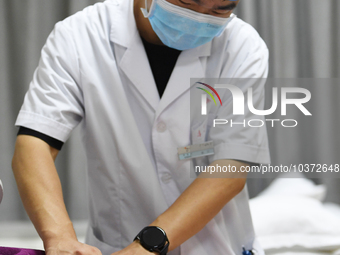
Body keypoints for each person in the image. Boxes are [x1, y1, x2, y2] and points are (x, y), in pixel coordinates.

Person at [12, 0, 270, 254]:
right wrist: (59, 237)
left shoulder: (242, 46)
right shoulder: (80, 35)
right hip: (117, 243)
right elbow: (35, 144)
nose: (201, 17)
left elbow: (231, 169)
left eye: (221, 9)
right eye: (188, 2)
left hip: (218, 245)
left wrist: (147, 246)